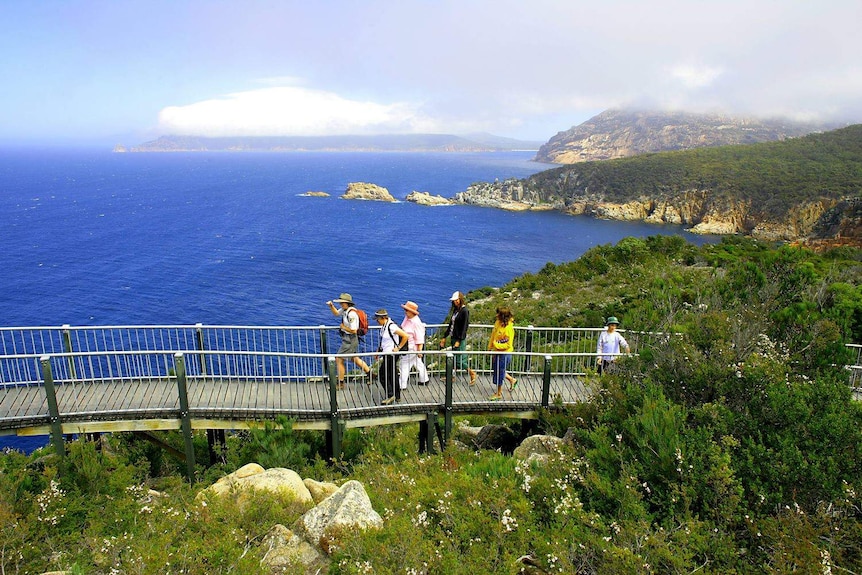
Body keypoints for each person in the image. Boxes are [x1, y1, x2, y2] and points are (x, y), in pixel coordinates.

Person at [326, 293, 372, 389]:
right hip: (348, 339)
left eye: (342, 303)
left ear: (347, 303)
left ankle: (341, 383)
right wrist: (331, 306)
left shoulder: (351, 314)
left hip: (350, 340)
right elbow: (336, 313)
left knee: (339, 359)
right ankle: (371, 374)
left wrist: (343, 327)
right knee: (354, 358)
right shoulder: (345, 310)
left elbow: (354, 330)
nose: (341, 304)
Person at [439, 291, 477, 385]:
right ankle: (451, 376)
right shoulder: (456, 310)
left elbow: (464, 327)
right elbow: (451, 325)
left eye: (456, 300)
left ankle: (472, 373)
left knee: (459, 360)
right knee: (455, 358)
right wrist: (444, 337)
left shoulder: (464, 311)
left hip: (458, 338)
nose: (455, 302)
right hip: (453, 337)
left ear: (460, 299)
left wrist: (459, 340)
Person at [373, 309, 408, 405]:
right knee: (392, 374)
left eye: (378, 319)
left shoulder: (391, 326)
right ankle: (397, 395)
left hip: (391, 354)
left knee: (382, 375)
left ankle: (390, 394)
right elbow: (384, 341)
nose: (377, 321)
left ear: (383, 318)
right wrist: (378, 351)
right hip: (387, 353)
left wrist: (398, 348)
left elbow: (405, 336)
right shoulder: (384, 326)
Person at [399, 301, 430, 389]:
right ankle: (424, 379)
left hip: (411, 347)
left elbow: (419, 338)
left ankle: (402, 385)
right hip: (409, 346)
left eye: (407, 310)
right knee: (417, 362)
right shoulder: (407, 318)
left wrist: (420, 350)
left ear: (412, 312)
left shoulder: (416, 323)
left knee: (404, 365)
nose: (405, 312)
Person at [487, 306, 514, 400]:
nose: (496, 315)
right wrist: (490, 347)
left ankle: (498, 393)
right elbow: (493, 335)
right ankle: (512, 380)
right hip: (497, 352)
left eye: (498, 314)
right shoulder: (498, 323)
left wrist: (496, 345)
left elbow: (507, 344)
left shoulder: (508, 329)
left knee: (500, 371)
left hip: (504, 353)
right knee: (498, 370)